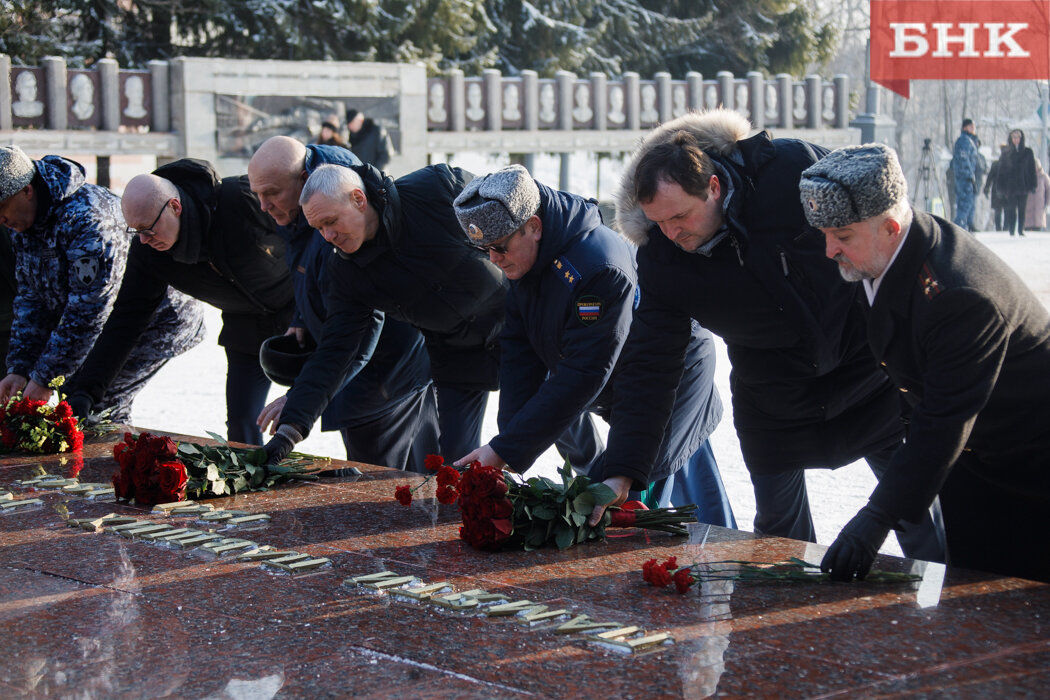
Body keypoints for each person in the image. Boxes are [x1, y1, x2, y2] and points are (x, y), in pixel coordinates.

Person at [589, 109, 944, 565]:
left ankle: (961, 614)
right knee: (778, 543)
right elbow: (652, 363)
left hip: (867, 374)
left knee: (916, 512)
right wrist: (623, 470)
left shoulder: (790, 172)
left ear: (713, 186)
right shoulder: (664, 260)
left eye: (680, 216)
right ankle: (790, 630)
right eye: (659, 224)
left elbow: (878, 242)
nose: (672, 234)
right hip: (771, 397)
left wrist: (914, 363)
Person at [803, 143, 1050, 583]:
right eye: (824, 235)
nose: (829, 251)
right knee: (974, 590)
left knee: (1021, 606)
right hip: (976, 459)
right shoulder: (887, 257)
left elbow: (943, 419)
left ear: (891, 227)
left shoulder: (958, 295)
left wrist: (875, 519)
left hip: (1030, 466)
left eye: (842, 236)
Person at [451, 166, 734, 524]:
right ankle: (722, 553)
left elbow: (584, 372)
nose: (493, 258)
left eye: (499, 246)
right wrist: (506, 444)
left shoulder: (595, 268)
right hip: (626, 392)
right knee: (688, 477)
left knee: (623, 496)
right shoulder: (526, 259)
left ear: (534, 227)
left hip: (669, 382)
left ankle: (719, 561)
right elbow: (520, 355)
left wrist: (505, 450)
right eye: (483, 249)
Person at [260, 162, 506, 466]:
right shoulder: (347, 271)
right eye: (318, 228)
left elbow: (515, 213)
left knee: (560, 419)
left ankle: (584, 489)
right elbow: (339, 351)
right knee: (459, 463)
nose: (327, 236)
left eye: (331, 221)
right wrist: (290, 431)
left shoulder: (437, 188)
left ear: (358, 200)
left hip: (521, 322)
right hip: (458, 353)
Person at [65, 158, 295, 444]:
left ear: (175, 207)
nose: (145, 240)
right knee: (242, 425)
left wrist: (313, 311)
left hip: (302, 314)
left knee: (335, 409)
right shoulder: (150, 251)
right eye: (136, 232)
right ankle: (262, 484)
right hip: (246, 327)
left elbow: (305, 235)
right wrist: (86, 391)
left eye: (149, 229)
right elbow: (128, 317)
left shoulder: (240, 200)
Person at [247, 136, 439, 470]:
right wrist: (303, 318)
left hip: (383, 375)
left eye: (272, 193)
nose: (263, 206)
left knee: (386, 485)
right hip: (366, 371)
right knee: (416, 477)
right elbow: (312, 278)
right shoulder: (309, 215)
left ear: (305, 180)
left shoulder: (340, 236)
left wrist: (294, 407)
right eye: (257, 195)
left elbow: (350, 340)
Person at [0, 146, 204, 420]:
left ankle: (121, 459)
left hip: (156, 320)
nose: (0, 219)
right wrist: (20, 368)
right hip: (105, 322)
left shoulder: (87, 218)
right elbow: (31, 299)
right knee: (76, 395)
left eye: (1, 206)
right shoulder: (22, 221)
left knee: (96, 403)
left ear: (27, 190)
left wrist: (45, 377)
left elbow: (89, 309)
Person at [996, 129, 1036, 236]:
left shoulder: (1028, 152)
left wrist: (1033, 184)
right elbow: (1001, 171)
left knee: (1022, 208)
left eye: (1018, 137)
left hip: (1024, 185)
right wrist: (999, 187)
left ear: (1021, 138)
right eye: (1013, 137)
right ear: (1010, 138)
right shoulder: (1006, 153)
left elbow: (1032, 170)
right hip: (1011, 186)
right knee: (1011, 208)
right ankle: (1011, 230)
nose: (1016, 139)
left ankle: (1020, 230)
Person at [950, 119, 980, 231]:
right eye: (970, 126)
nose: (973, 128)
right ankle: (959, 228)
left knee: (969, 204)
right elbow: (964, 160)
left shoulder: (970, 141)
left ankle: (967, 226)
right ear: (965, 128)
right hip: (965, 179)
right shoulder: (964, 141)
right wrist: (969, 175)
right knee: (964, 205)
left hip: (968, 178)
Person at [982, 146, 1006, 231]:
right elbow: (990, 177)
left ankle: (1000, 228)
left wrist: (986, 188)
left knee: (999, 210)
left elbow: (989, 177)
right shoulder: (1009, 164)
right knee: (1003, 210)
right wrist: (986, 188)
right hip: (1003, 190)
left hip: (998, 190)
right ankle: (1003, 228)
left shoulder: (996, 164)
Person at [1025, 160, 1050, 231]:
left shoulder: (1044, 177)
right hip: (1028, 205)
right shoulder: (1027, 176)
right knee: (1028, 226)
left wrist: (1048, 203)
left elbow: (1049, 190)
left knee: (1037, 226)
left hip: (1040, 206)